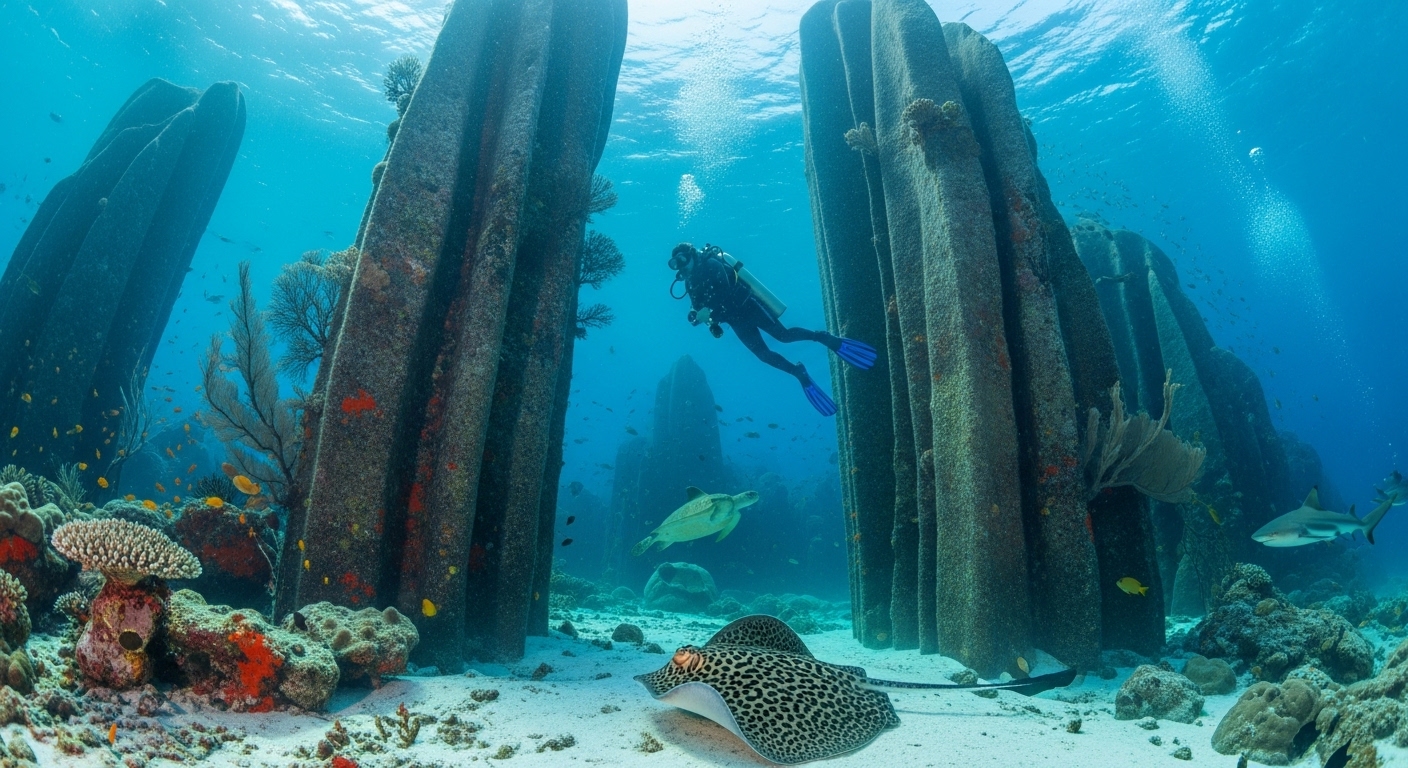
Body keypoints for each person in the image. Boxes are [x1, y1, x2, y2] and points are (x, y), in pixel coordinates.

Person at [668, 242, 876, 416]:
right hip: (735, 320)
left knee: (783, 336)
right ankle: (798, 372)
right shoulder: (690, 283)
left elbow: (725, 290)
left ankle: (822, 337)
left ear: (692, 256)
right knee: (763, 355)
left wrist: (708, 310)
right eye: (675, 264)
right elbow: (697, 308)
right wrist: (698, 318)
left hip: (749, 307)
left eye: (681, 260)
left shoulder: (712, 264)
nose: (680, 267)